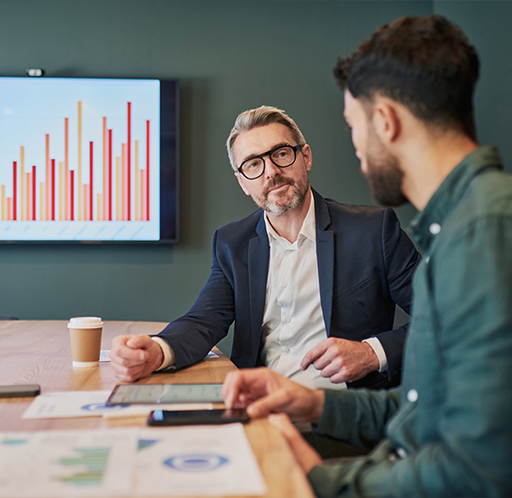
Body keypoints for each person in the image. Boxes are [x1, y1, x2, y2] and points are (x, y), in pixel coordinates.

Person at [222, 14, 512, 497]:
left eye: (353, 126)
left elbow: (477, 469)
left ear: (386, 121)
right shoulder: (463, 224)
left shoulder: (483, 233)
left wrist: (317, 483)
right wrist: (313, 404)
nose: (357, 148)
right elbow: (423, 410)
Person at [110, 106, 419, 391]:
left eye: (281, 154)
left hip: (346, 413)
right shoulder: (233, 244)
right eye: (253, 164)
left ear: (306, 157)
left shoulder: (373, 231)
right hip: (260, 408)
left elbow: (443, 317)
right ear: (243, 183)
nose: (270, 172)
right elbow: (204, 321)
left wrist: (370, 352)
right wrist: (158, 351)